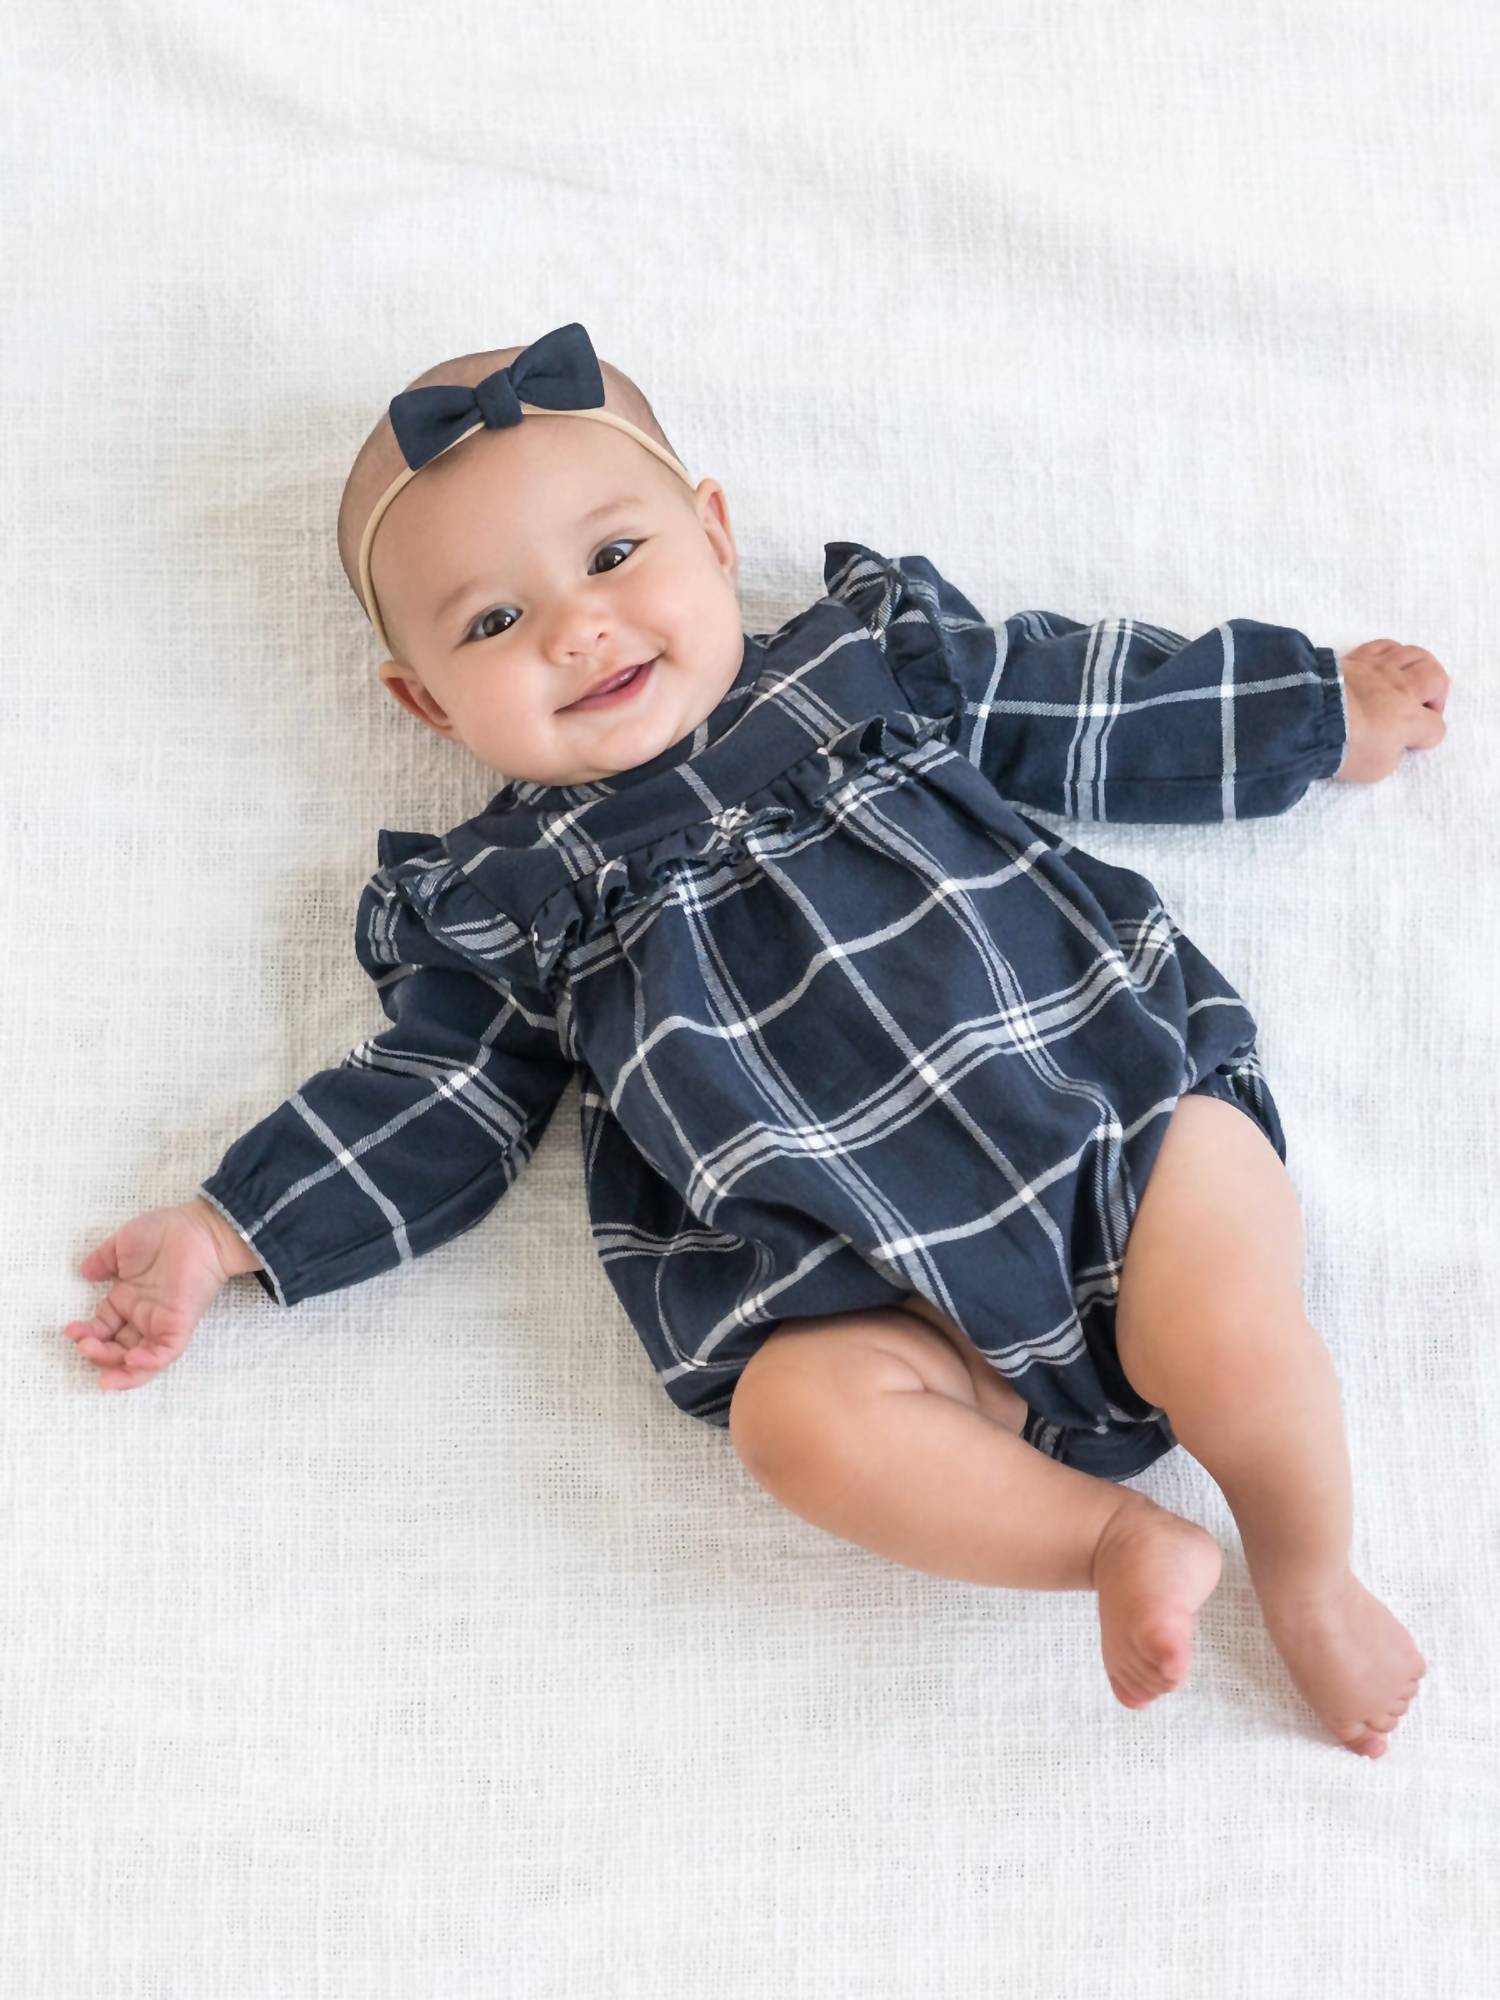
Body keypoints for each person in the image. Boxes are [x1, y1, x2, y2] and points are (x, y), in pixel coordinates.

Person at [66, 323, 1448, 1759]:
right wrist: (231, 1230)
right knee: (797, 1423)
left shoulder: (865, 668)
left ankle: (1306, 1568)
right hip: (875, 1296)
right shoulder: (505, 900)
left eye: (614, 557)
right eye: (491, 624)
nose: (577, 630)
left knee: (1224, 1329)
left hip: (1113, 1122)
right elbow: (436, 1097)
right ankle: (1107, 1541)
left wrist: (1315, 714)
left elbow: (1086, 703)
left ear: (716, 537)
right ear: (426, 703)